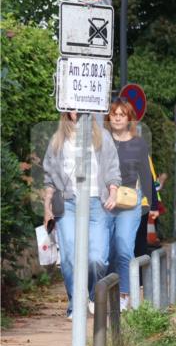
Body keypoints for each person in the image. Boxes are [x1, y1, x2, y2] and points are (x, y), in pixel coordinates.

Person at [42, 112, 121, 319]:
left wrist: (113, 193)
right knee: (68, 257)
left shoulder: (103, 136)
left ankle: (94, 296)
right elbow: (49, 178)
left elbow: (113, 170)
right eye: (72, 105)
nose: (77, 108)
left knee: (98, 258)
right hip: (67, 203)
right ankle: (76, 305)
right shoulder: (57, 140)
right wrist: (47, 208)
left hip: (98, 202)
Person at [105, 100, 153, 311]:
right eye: (114, 114)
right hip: (105, 200)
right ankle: (106, 291)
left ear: (129, 119)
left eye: (122, 114)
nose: (117, 117)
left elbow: (146, 175)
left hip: (129, 200)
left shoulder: (138, 143)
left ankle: (124, 294)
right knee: (107, 250)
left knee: (124, 246)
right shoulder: (102, 141)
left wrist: (150, 206)